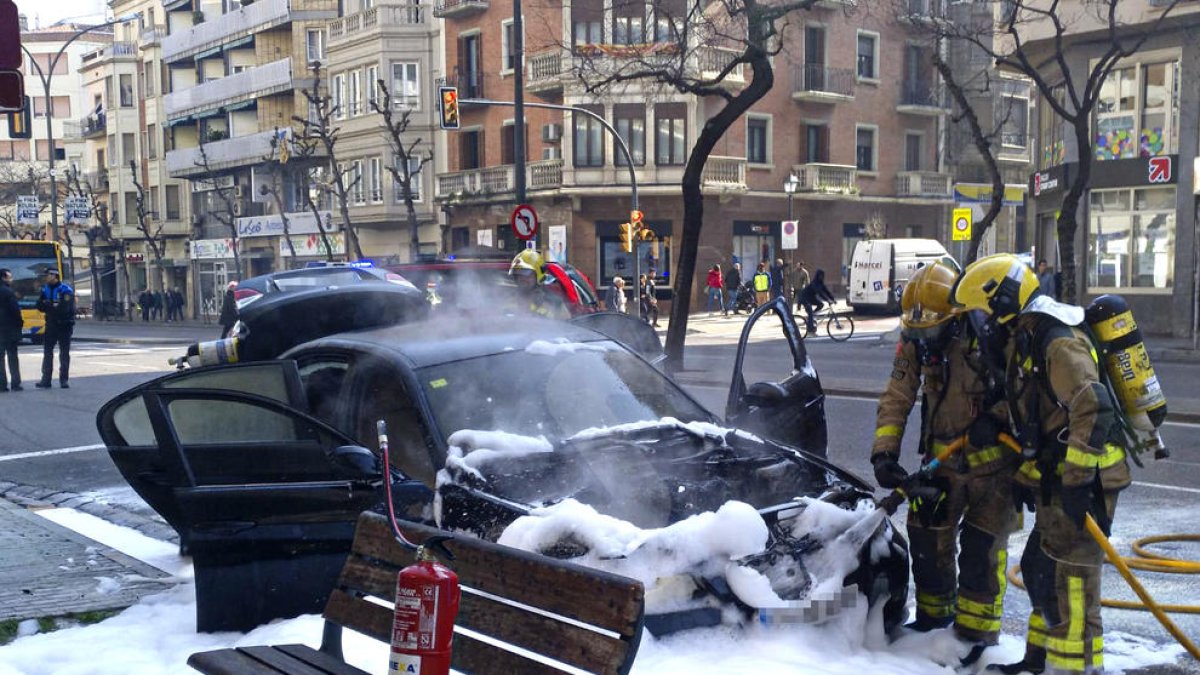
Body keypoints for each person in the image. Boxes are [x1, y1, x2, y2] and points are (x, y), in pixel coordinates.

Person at [954, 253, 1131, 675]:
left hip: (1088, 480)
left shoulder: (1057, 342)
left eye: (983, 315)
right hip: (1061, 477)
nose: (982, 326)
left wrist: (1077, 482)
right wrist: (994, 422)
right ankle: (1037, 662)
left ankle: (1076, 669)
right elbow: (1036, 406)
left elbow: (1093, 406)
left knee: (1071, 583)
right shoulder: (1027, 337)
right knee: (1039, 570)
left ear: (1004, 303)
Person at [871, 261, 1018, 656]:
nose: (925, 340)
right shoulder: (916, 339)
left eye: (932, 331)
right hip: (941, 462)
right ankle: (933, 628)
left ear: (954, 317)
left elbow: (1024, 388)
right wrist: (884, 453)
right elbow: (897, 394)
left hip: (993, 467)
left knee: (981, 553)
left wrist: (996, 418)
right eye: (917, 332)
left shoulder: (987, 335)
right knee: (926, 542)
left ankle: (978, 638)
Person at [35, 269, 74, 389]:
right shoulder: (45, 289)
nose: (46, 277)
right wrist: (51, 306)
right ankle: (46, 380)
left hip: (64, 325)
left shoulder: (65, 290)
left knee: (64, 353)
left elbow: (64, 309)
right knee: (47, 352)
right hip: (51, 325)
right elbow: (39, 306)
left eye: (47, 275)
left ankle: (64, 380)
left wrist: (48, 306)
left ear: (54, 276)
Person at [508, 249, 569, 319]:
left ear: (539, 275)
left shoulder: (555, 303)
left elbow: (567, 324)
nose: (522, 279)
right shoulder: (506, 300)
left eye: (527, 274)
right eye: (519, 275)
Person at [0, 268, 22, 392]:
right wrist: (20, 323)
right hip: (9, 329)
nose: (11, 279)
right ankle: (15, 383)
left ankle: (2, 384)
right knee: (13, 356)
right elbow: (15, 311)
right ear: (3, 278)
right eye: (10, 277)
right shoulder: (8, 292)